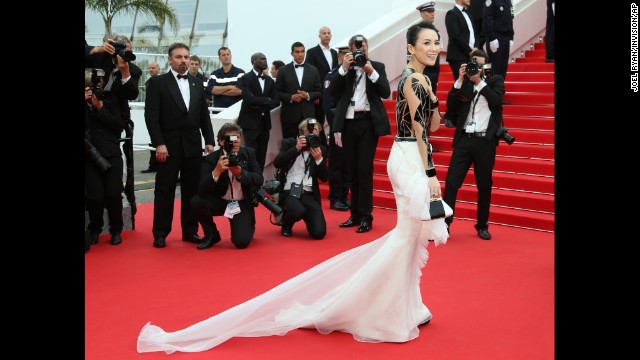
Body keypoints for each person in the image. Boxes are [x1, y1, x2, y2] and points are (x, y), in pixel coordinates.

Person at [136, 21, 448, 354]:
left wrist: (433, 99)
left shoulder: (422, 82)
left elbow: (433, 124)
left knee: (412, 236)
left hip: (411, 154)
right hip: (411, 156)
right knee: (405, 236)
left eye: (436, 41)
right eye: (426, 42)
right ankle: (381, 308)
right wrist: (430, 173)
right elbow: (418, 130)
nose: (433, 47)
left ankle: (408, 305)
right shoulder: (413, 80)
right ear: (410, 48)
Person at [144, 42, 216, 248]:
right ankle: (160, 233)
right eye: (179, 57)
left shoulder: (196, 83)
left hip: (193, 146)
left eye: (186, 56)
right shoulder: (158, 83)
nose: (183, 60)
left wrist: (209, 141)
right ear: (169, 59)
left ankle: (190, 231)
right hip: (168, 146)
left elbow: (204, 116)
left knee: (192, 191)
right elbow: (152, 117)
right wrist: (159, 144)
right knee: (164, 190)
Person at [329, 34, 391, 234]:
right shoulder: (344, 69)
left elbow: (385, 91)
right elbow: (333, 92)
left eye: (362, 46)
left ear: (367, 47)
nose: (360, 50)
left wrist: (370, 70)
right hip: (348, 124)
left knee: (364, 171)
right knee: (352, 171)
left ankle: (366, 216)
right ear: (349, 50)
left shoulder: (377, 66)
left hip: (367, 124)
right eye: (356, 47)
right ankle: (354, 214)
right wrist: (344, 68)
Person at [442, 49, 505, 240]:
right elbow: (451, 106)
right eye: (472, 64)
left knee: (484, 185)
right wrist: (461, 80)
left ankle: (482, 224)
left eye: (479, 64)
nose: (475, 68)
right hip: (464, 140)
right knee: (452, 182)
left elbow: (497, 102)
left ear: (485, 65)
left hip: (484, 142)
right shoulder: (465, 84)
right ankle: (445, 224)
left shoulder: (495, 81)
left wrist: (479, 82)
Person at [190, 123, 264, 250]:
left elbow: (259, 179)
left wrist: (241, 174)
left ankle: (248, 223)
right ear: (221, 141)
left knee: (241, 242)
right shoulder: (212, 158)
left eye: (238, 138)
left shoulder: (248, 153)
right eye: (231, 139)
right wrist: (216, 172)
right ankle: (212, 235)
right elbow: (201, 190)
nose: (235, 143)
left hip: (240, 203)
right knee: (196, 201)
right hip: (221, 201)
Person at [84, 68, 125, 246]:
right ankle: (95, 229)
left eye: (99, 82)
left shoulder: (110, 100)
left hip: (111, 153)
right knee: (95, 197)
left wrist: (100, 108)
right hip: (88, 154)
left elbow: (118, 126)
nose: (97, 86)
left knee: (114, 194)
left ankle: (116, 230)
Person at [274, 118, 328, 239]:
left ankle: (305, 216)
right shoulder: (289, 143)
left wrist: (319, 159)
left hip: (308, 193)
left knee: (319, 233)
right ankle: (286, 223)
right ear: (301, 134)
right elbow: (277, 163)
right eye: (309, 132)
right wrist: (296, 149)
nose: (312, 134)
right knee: (298, 211)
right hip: (289, 190)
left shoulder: (321, 150)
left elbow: (324, 178)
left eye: (315, 131)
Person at [235, 52, 281, 171]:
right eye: (262, 59)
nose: (265, 61)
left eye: (266, 59)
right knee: (250, 154)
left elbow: (276, 101)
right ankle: (249, 183)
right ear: (254, 61)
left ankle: (258, 182)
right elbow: (248, 99)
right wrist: (266, 100)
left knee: (262, 155)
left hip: (265, 123)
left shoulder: (270, 80)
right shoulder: (245, 78)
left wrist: (259, 102)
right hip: (249, 123)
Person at [323, 46, 351, 211]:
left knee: (348, 164)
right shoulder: (331, 76)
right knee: (336, 163)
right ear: (340, 56)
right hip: (338, 127)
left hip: (352, 126)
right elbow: (329, 105)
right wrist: (337, 124)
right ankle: (335, 198)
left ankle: (344, 195)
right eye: (344, 54)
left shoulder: (354, 75)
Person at [275, 42, 323, 140]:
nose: (300, 54)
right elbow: (276, 93)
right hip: (289, 115)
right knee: (290, 144)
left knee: (311, 143)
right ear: (292, 53)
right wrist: (290, 97)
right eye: (297, 52)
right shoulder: (283, 70)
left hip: (308, 115)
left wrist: (308, 95)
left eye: (302, 51)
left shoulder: (313, 70)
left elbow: (319, 92)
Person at [415, 1, 446, 146]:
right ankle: (419, 141)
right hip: (421, 75)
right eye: (428, 11)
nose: (432, 13)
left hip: (433, 75)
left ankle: (425, 140)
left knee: (428, 109)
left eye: (433, 11)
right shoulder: (416, 32)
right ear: (421, 13)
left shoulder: (435, 32)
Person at [305, 26, 339, 131]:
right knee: (319, 119)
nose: (327, 35)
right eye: (324, 33)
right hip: (319, 92)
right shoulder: (312, 52)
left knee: (333, 118)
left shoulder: (334, 52)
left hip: (332, 92)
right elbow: (309, 74)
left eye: (328, 33)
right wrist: (314, 94)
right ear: (319, 36)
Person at [445, 0, 479, 81]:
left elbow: (474, 34)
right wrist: (470, 50)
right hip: (458, 56)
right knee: (462, 85)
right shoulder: (451, 14)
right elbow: (455, 36)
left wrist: (476, 48)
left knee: (471, 85)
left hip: (471, 56)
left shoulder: (469, 14)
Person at [482, 0, 514, 79]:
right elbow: (487, 19)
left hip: (506, 37)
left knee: (503, 66)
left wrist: (511, 36)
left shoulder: (508, 1)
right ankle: (489, 88)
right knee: (493, 66)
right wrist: (492, 38)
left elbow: (509, 19)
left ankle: (499, 88)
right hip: (496, 37)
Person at [141, 61, 161, 174]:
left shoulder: (163, 81)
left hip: (160, 114)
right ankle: (153, 165)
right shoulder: (148, 82)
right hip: (151, 113)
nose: (151, 70)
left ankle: (157, 165)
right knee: (152, 141)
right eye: (149, 68)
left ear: (158, 69)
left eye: (153, 68)